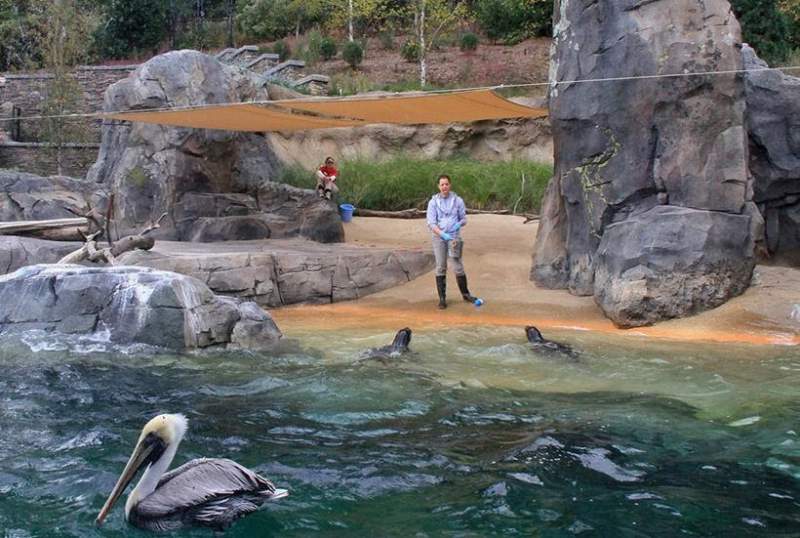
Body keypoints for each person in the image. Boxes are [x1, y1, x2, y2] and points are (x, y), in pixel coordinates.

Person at [426, 174, 478, 309]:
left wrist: (458, 225)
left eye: (446, 184)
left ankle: (466, 294)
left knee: (457, 265)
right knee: (441, 266)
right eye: (442, 184)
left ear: (450, 185)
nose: (444, 187)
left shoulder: (458, 200)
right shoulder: (433, 202)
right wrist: (442, 234)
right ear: (438, 186)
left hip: (454, 237)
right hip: (439, 237)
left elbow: (464, 219)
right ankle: (442, 299)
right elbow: (431, 223)